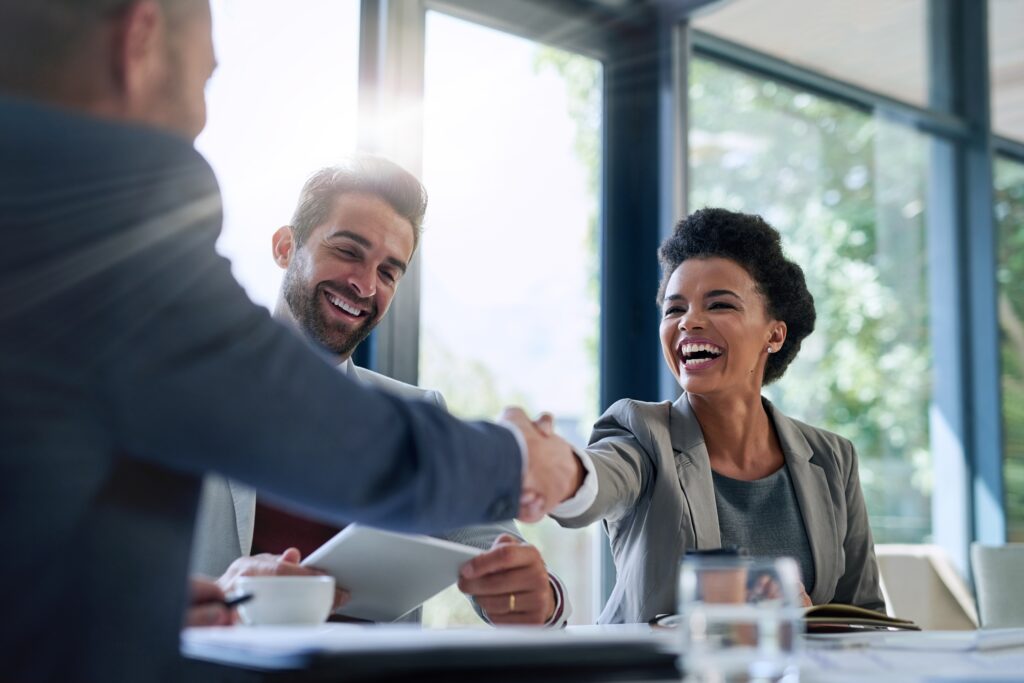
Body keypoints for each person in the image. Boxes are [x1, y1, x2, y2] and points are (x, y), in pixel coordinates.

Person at [0, 1, 579, 680]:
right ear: (141, 36)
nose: (200, 118)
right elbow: (326, 433)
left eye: (389, 268)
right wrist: (519, 459)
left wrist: (149, 606)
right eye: (205, 81)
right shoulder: (107, 221)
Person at [191, 160, 571, 627]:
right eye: (349, 251)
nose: (365, 285)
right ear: (286, 247)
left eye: (389, 272)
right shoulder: (189, 384)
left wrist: (538, 598)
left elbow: (502, 554)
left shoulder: (419, 414)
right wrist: (225, 593)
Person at [551, 208, 884, 623]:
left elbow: (864, 616)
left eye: (720, 304)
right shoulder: (641, 434)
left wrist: (806, 620)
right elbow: (594, 482)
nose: (689, 321)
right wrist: (552, 468)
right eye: (674, 310)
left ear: (774, 334)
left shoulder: (833, 457)